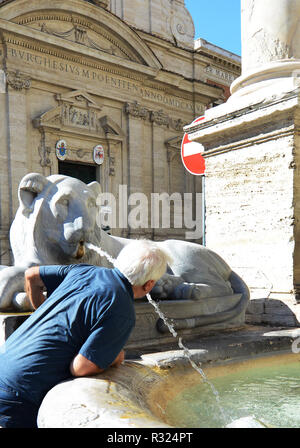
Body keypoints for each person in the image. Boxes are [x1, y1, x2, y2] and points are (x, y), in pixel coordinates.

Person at [0, 239, 170, 428]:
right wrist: (113, 358)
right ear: (148, 285)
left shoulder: (85, 270)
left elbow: (31, 275)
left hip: (5, 363)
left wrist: (40, 311)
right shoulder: (122, 310)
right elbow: (81, 367)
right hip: (20, 392)